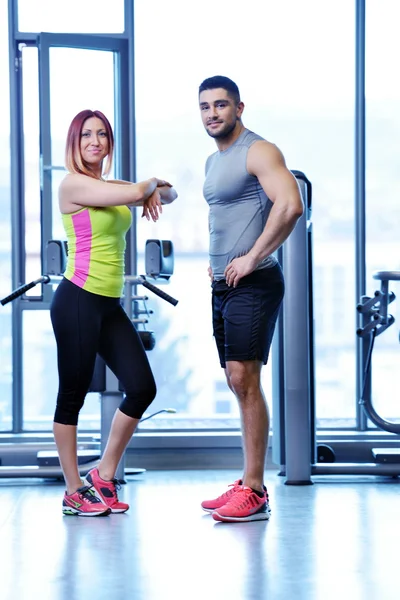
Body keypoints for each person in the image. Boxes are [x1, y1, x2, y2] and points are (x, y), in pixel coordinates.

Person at [51, 109, 177, 516]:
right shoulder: (72, 185)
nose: (95, 141)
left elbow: (170, 194)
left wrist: (153, 187)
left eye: (102, 134)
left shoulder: (109, 184)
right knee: (72, 396)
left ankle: (103, 476)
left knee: (142, 388)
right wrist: (146, 186)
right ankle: (73, 490)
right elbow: (136, 192)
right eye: (86, 134)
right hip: (77, 300)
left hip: (107, 303)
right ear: (74, 142)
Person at [198, 76, 304, 523]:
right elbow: (230, 217)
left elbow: (290, 204)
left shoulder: (258, 150)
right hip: (225, 282)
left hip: (255, 281)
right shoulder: (213, 160)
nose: (212, 114)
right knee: (236, 380)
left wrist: (252, 257)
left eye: (221, 105)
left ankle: (256, 491)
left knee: (245, 376)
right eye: (204, 107)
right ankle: (247, 480)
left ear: (239, 107)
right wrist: (221, 264)